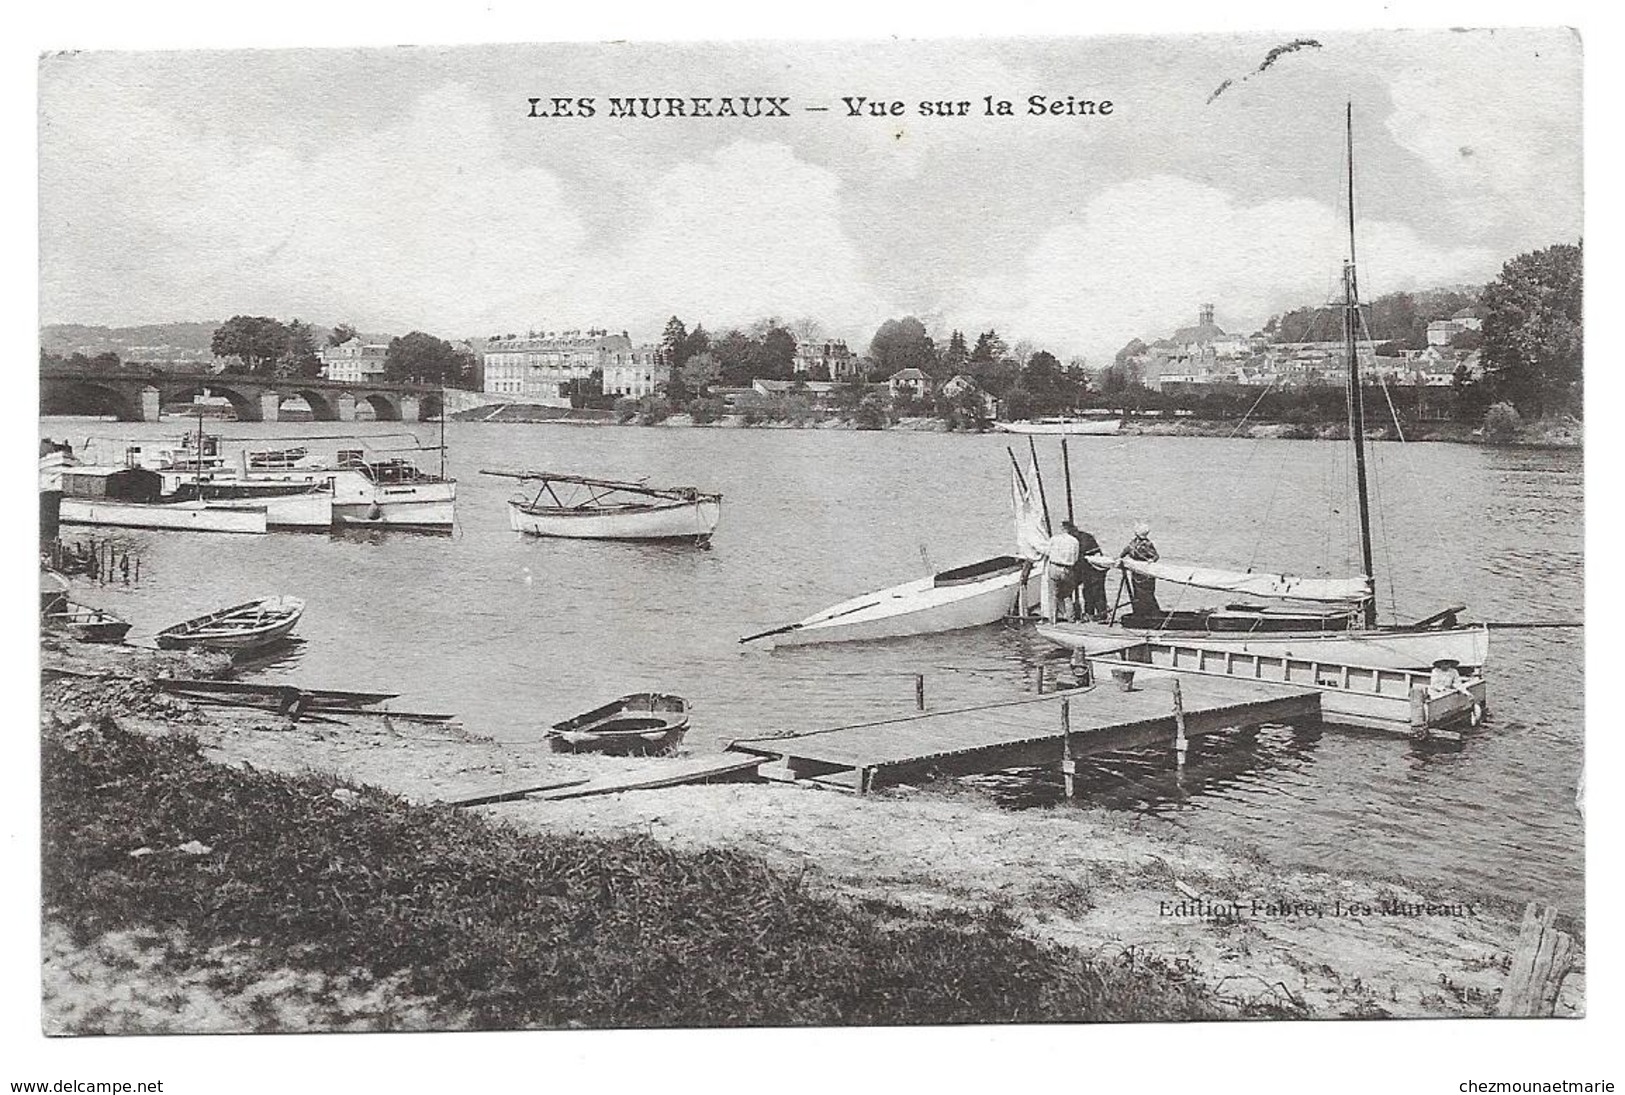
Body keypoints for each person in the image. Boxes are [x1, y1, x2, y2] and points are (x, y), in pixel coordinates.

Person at [1120, 521, 1162, 618]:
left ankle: (1150, 614)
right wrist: (1120, 557)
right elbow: (1125, 551)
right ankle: (1140, 612)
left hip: (1145, 573)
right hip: (1136, 572)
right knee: (1138, 594)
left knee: (1146, 594)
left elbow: (1155, 556)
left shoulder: (1147, 544)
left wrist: (1151, 561)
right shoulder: (1134, 542)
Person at [1041, 521, 1082, 622]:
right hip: (1068, 569)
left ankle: (1053, 619)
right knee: (1067, 595)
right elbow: (1076, 557)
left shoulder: (1054, 539)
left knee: (1053, 594)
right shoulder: (1074, 541)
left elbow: (1047, 551)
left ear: (1063, 529)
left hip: (1055, 567)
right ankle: (1070, 618)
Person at [1071, 524, 1109, 621]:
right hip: (1090, 568)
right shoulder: (1085, 537)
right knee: (1090, 591)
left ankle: (1099, 613)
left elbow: (1080, 558)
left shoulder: (1082, 540)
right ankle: (1093, 613)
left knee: (1095, 592)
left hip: (1094, 568)